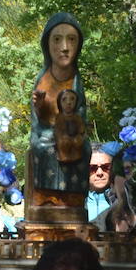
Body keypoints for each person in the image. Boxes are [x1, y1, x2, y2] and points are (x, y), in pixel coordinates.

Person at [26, 12, 90, 220]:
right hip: (46, 133)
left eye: (71, 39)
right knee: (43, 147)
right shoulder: (43, 78)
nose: (64, 47)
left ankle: (73, 201)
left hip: (71, 130)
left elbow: (81, 112)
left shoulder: (76, 80)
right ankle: (46, 199)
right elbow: (38, 120)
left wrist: (73, 130)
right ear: (47, 44)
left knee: (83, 147)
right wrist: (39, 107)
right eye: (57, 39)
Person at [84, 148, 115, 223]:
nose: (99, 173)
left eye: (106, 167)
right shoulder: (75, 200)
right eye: (92, 168)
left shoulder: (124, 198)